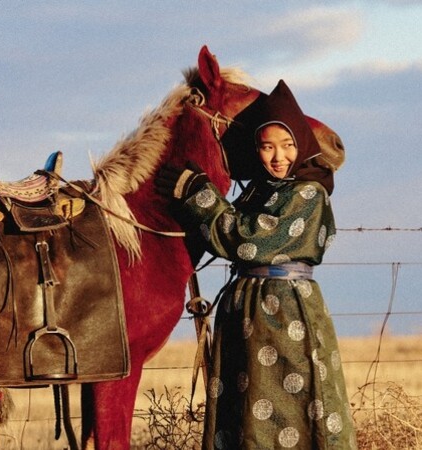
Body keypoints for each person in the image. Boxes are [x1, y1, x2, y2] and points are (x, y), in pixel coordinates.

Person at [156, 80, 357, 449]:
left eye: (287, 145)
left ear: (302, 146)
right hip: (245, 316)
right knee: (245, 415)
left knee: (292, 410)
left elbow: (248, 241)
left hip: (286, 318)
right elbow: (228, 233)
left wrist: (200, 195)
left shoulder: (309, 193)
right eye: (267, 147)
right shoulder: (257, 191)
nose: (278, 157)